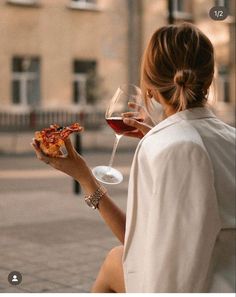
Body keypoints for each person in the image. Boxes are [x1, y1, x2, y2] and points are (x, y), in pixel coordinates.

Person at [31, 23, 235, 293]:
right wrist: (160, 135)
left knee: (116, 258)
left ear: (149, 87)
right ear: (209, 79)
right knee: (117, 258)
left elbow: (140, 247)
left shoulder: (169, 147)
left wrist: (84, 176)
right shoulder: (228, 137)